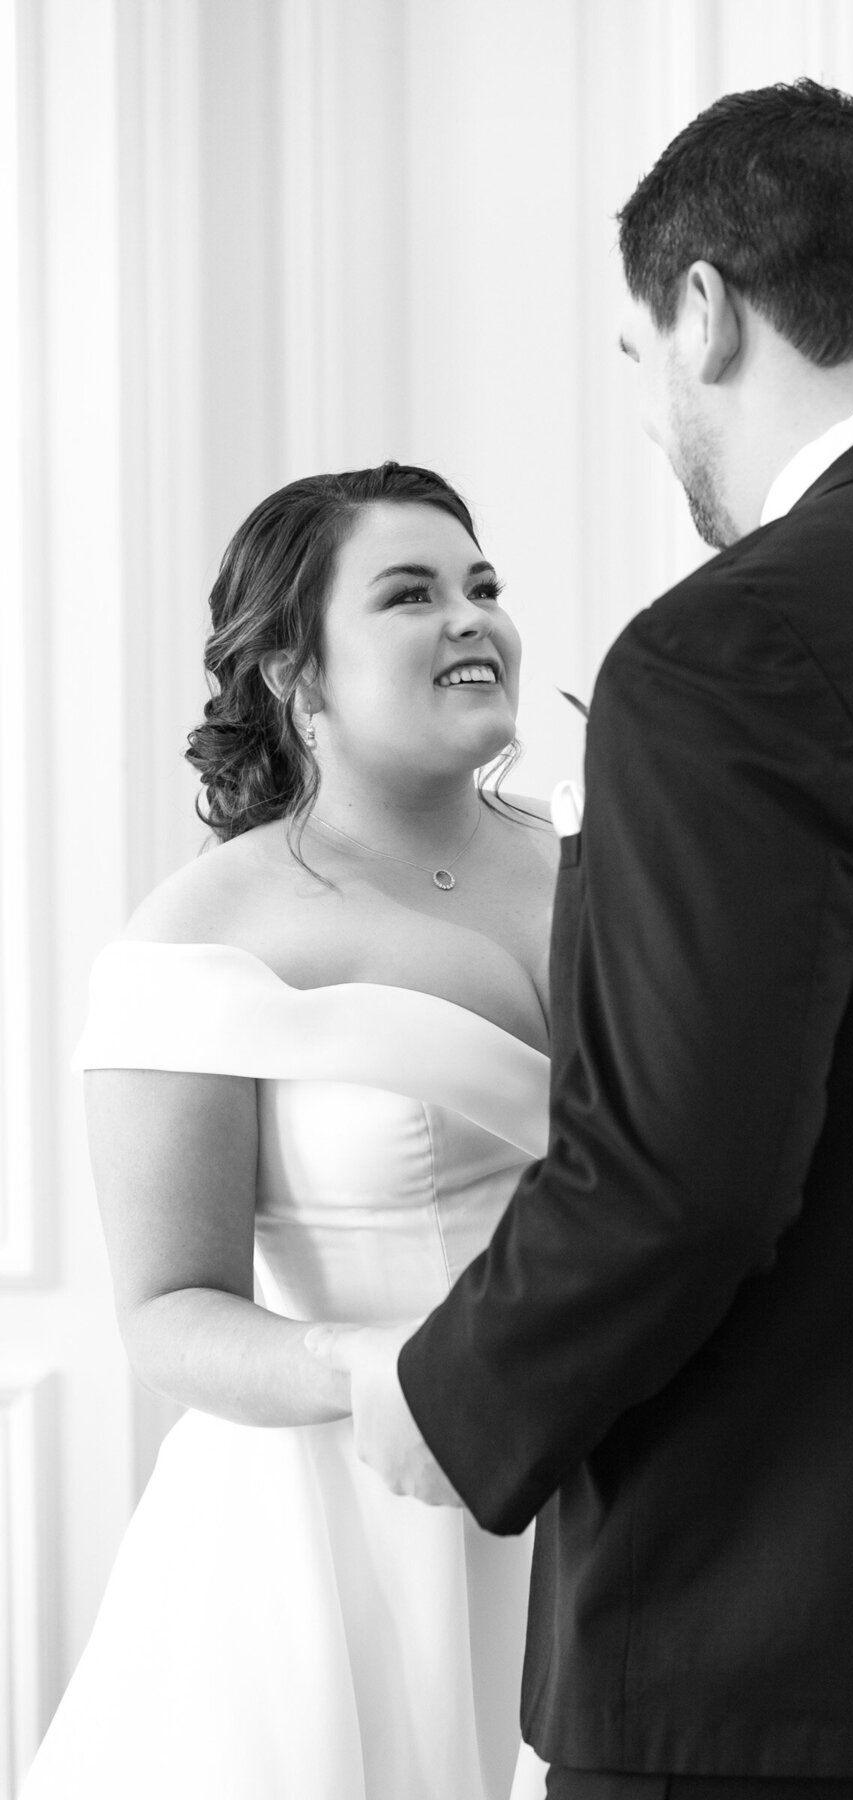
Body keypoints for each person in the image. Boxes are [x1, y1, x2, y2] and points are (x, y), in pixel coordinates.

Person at [308, 80, 853, 1800]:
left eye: (635, 359)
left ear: (705, 307)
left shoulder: (732, 647)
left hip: (780, 1665)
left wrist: (450, 1396)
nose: (650, 416)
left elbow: (684, 1175)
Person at [21, 462, 557, 1800]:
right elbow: (168, 1313)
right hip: (347, 1532)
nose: (471, 618)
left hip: (614, 1508)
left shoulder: (616, 860)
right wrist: (381, 1372)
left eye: (482, 586)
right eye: (410, 594)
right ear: (289, 671)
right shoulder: (200, 938)